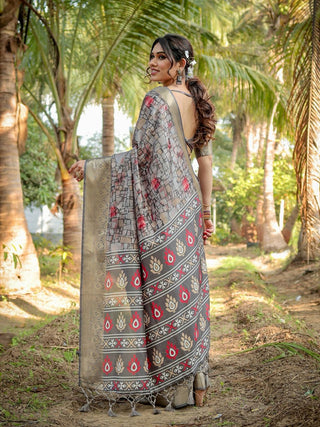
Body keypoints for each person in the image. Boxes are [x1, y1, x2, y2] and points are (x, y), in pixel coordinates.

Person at [69, 34, 216, 416]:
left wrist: (93, 167)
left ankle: (169, 387)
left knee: (159, 298)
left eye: (160, 58)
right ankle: (192, 385)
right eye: (150, 56)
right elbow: (205, 164)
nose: (151, 63)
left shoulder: (157, 100)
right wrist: (205, 212)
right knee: (185, 294)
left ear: (179, 64)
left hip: (159, 212)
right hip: (185, 208)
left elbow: (142, 157)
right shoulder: (198, 104)